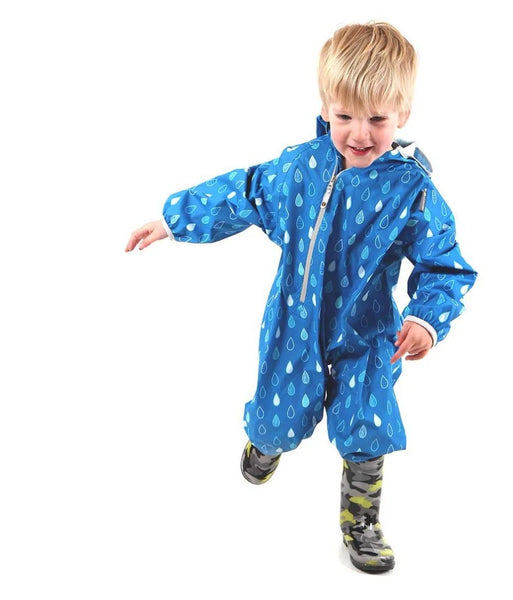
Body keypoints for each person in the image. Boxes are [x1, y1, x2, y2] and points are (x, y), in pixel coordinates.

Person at [125, 22, 476, 573]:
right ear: (325, 108)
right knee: (277, 420)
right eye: (345, 117)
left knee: (368, 423)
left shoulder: (411, 190)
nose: (359, 133)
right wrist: (175, 221)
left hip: (368, 334)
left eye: (378, 119)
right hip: (295, 323)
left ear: (403, 114)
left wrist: (426, 320)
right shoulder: (302, 168)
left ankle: (360, 520)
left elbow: (444, 264)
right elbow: (244, 192)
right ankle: (263, 443)